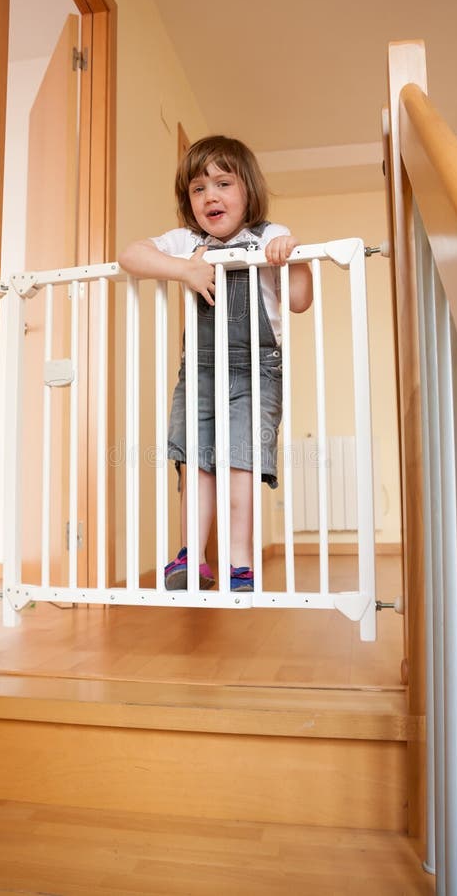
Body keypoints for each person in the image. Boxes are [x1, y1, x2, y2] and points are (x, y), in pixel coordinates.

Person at [118, 135, 312, 592]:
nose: (211, 197)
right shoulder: (186, 242)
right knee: (196, 466)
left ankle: (239, 561)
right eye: (198, 189)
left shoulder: (267, 236)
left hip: (255, 371)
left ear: (248, 189)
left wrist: (294, 259)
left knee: (239, 464)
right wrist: (183, 269)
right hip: (199, 371)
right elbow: (130, 255)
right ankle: (191, 556)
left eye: (223, 183)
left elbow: (300, 300)